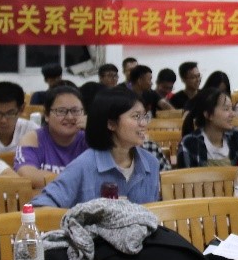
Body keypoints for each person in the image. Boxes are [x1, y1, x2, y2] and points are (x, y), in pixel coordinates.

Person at [33, 87, 161, 207]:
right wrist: (78, 218)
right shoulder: (84, 166)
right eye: (136, 116)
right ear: (111, 124)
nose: (144, 123)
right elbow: (39, 206)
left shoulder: (151, 163)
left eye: (145, 116)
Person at [14, 85, 89, 188]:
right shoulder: (33, 139)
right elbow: (26, 174)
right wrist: (75, 182)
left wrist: (96, 131)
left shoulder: (90, 140)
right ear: (46, 115)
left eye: (75, 111)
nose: (70, 117)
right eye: (61, 111)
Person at [177, 88, 238, 169]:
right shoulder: (189, 143)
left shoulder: (236, 136)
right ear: (208, 114)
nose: (232, 114)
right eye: (226, 109)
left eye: (231, 109)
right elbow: (186, 176)